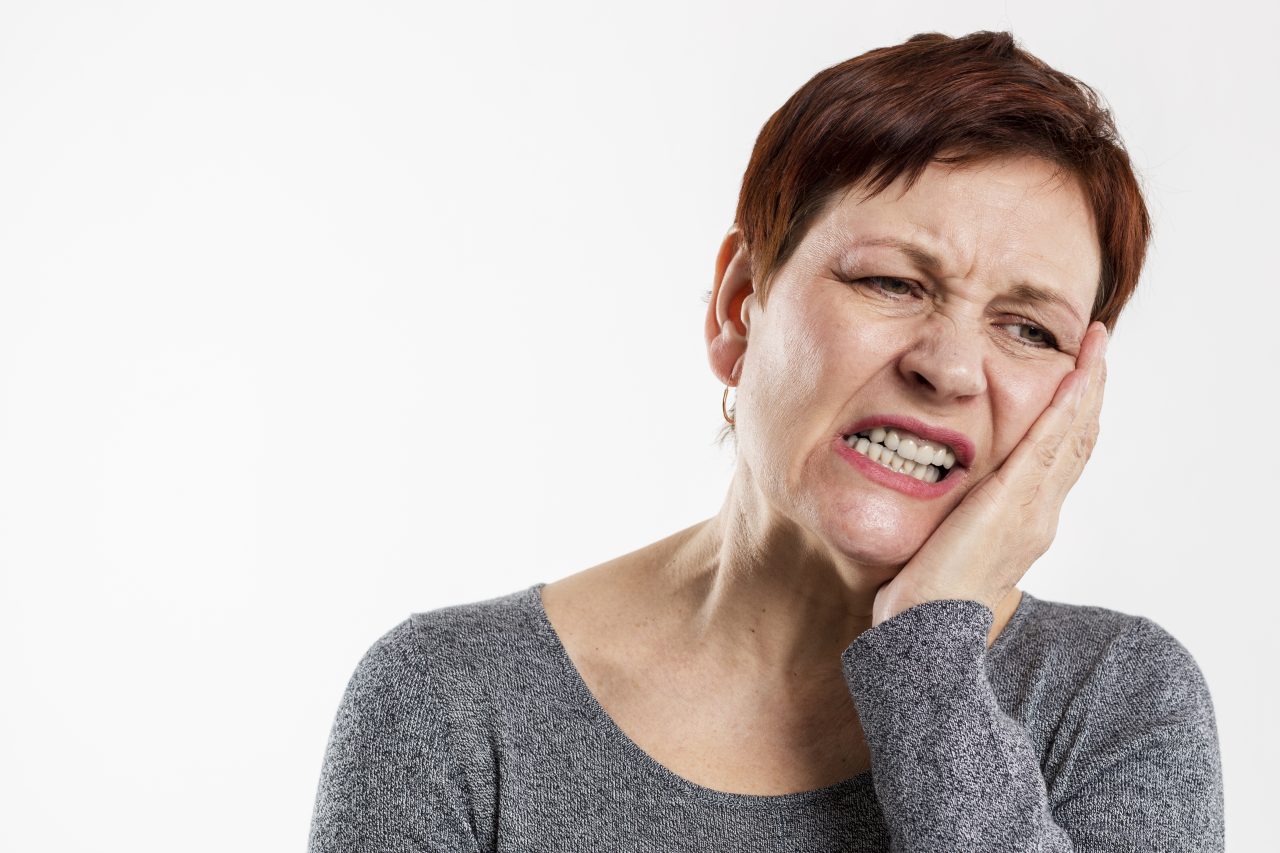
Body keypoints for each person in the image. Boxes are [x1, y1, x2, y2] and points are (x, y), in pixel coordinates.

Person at [307, 30, 1224, 852]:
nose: (949, 368)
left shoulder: (1118, 701)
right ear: (740, 304)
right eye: (893, 282)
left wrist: (929, 655)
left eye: (1029, 329)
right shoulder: (452, 701)